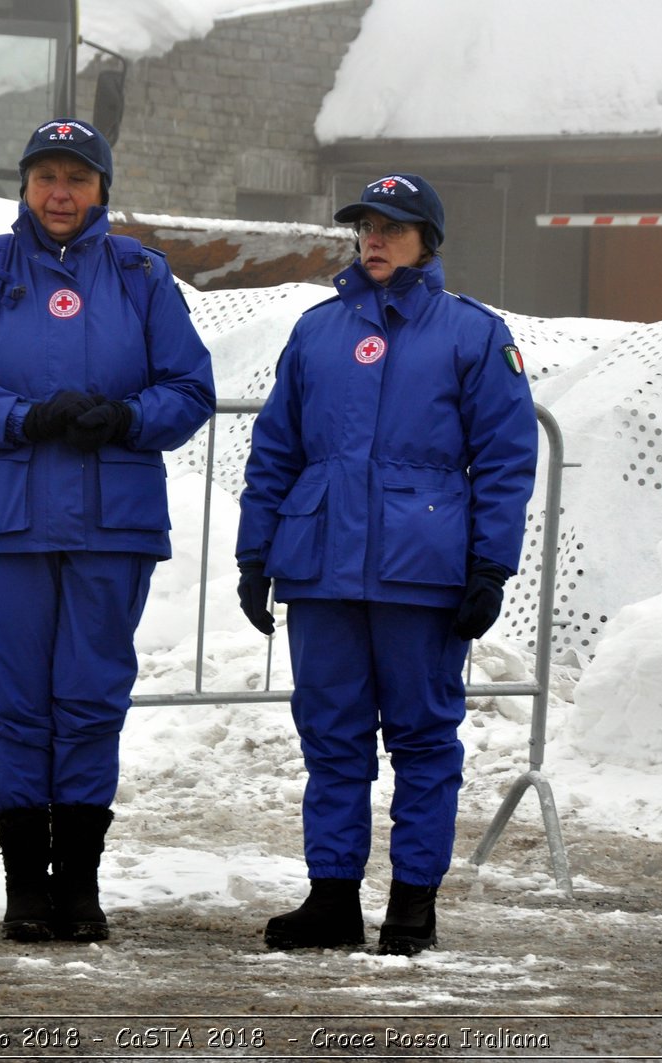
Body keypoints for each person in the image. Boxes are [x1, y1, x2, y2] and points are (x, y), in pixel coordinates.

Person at [0, 117, 216, 943]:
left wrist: (126, 416)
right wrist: (23, 417)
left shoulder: (144, 279)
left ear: (101, 191)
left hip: (108, 527)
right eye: (46, 177)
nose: (60, 193)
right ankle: (24, 888)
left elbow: (190, 389)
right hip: (3, 524)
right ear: (23, 186)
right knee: (17, 707)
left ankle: (78, 886)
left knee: (89, 704)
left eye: (77, 179)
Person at [235, 172, 538, 956]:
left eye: (393, 227)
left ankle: (412, 904)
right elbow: (275, 449)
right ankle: (333, 897)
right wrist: (254, 552)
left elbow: (506, 459)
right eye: (367, 226)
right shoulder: (317, 330)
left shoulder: (472, 333)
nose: (375, 238)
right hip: (323, 567)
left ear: (426, 241)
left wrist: (488, 567)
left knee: (423, 741)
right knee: (331, 737)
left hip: (420, 571)